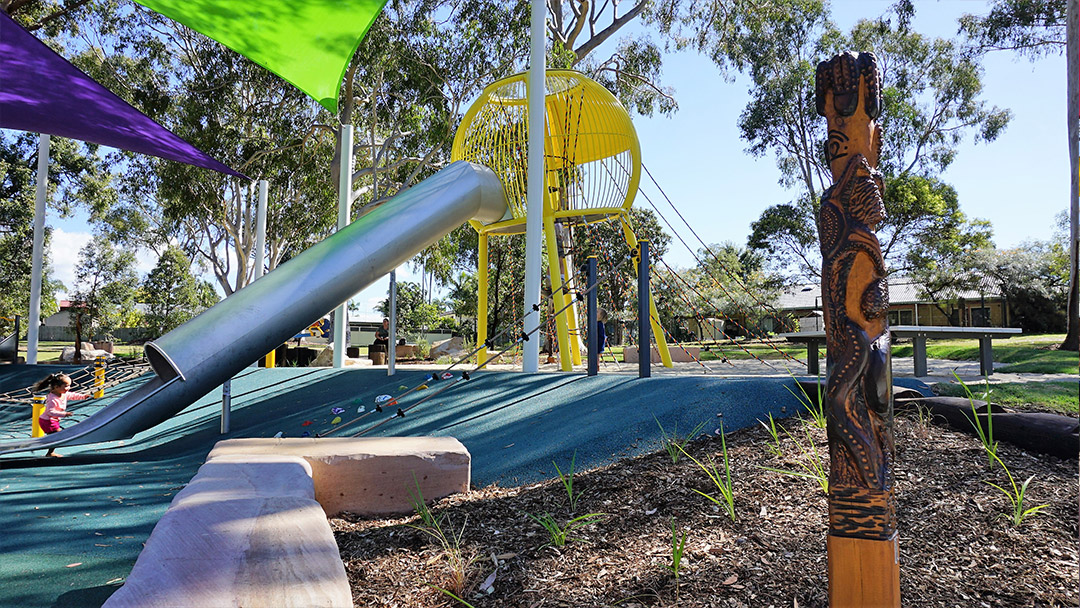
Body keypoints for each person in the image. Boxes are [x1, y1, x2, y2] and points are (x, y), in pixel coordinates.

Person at [32, 372, 88, 457]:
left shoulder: (63, 393)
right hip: (47, 421)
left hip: (52, 420)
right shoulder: (52, 399)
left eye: (69, 385)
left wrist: (83, 396)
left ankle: (48, 450)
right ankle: (48, 451)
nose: (68, 388)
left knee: (55, 437)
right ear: (56, 387)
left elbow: (73, 395)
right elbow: (50, 412)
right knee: (58, 436)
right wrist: (64, 414)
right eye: (66, 386)